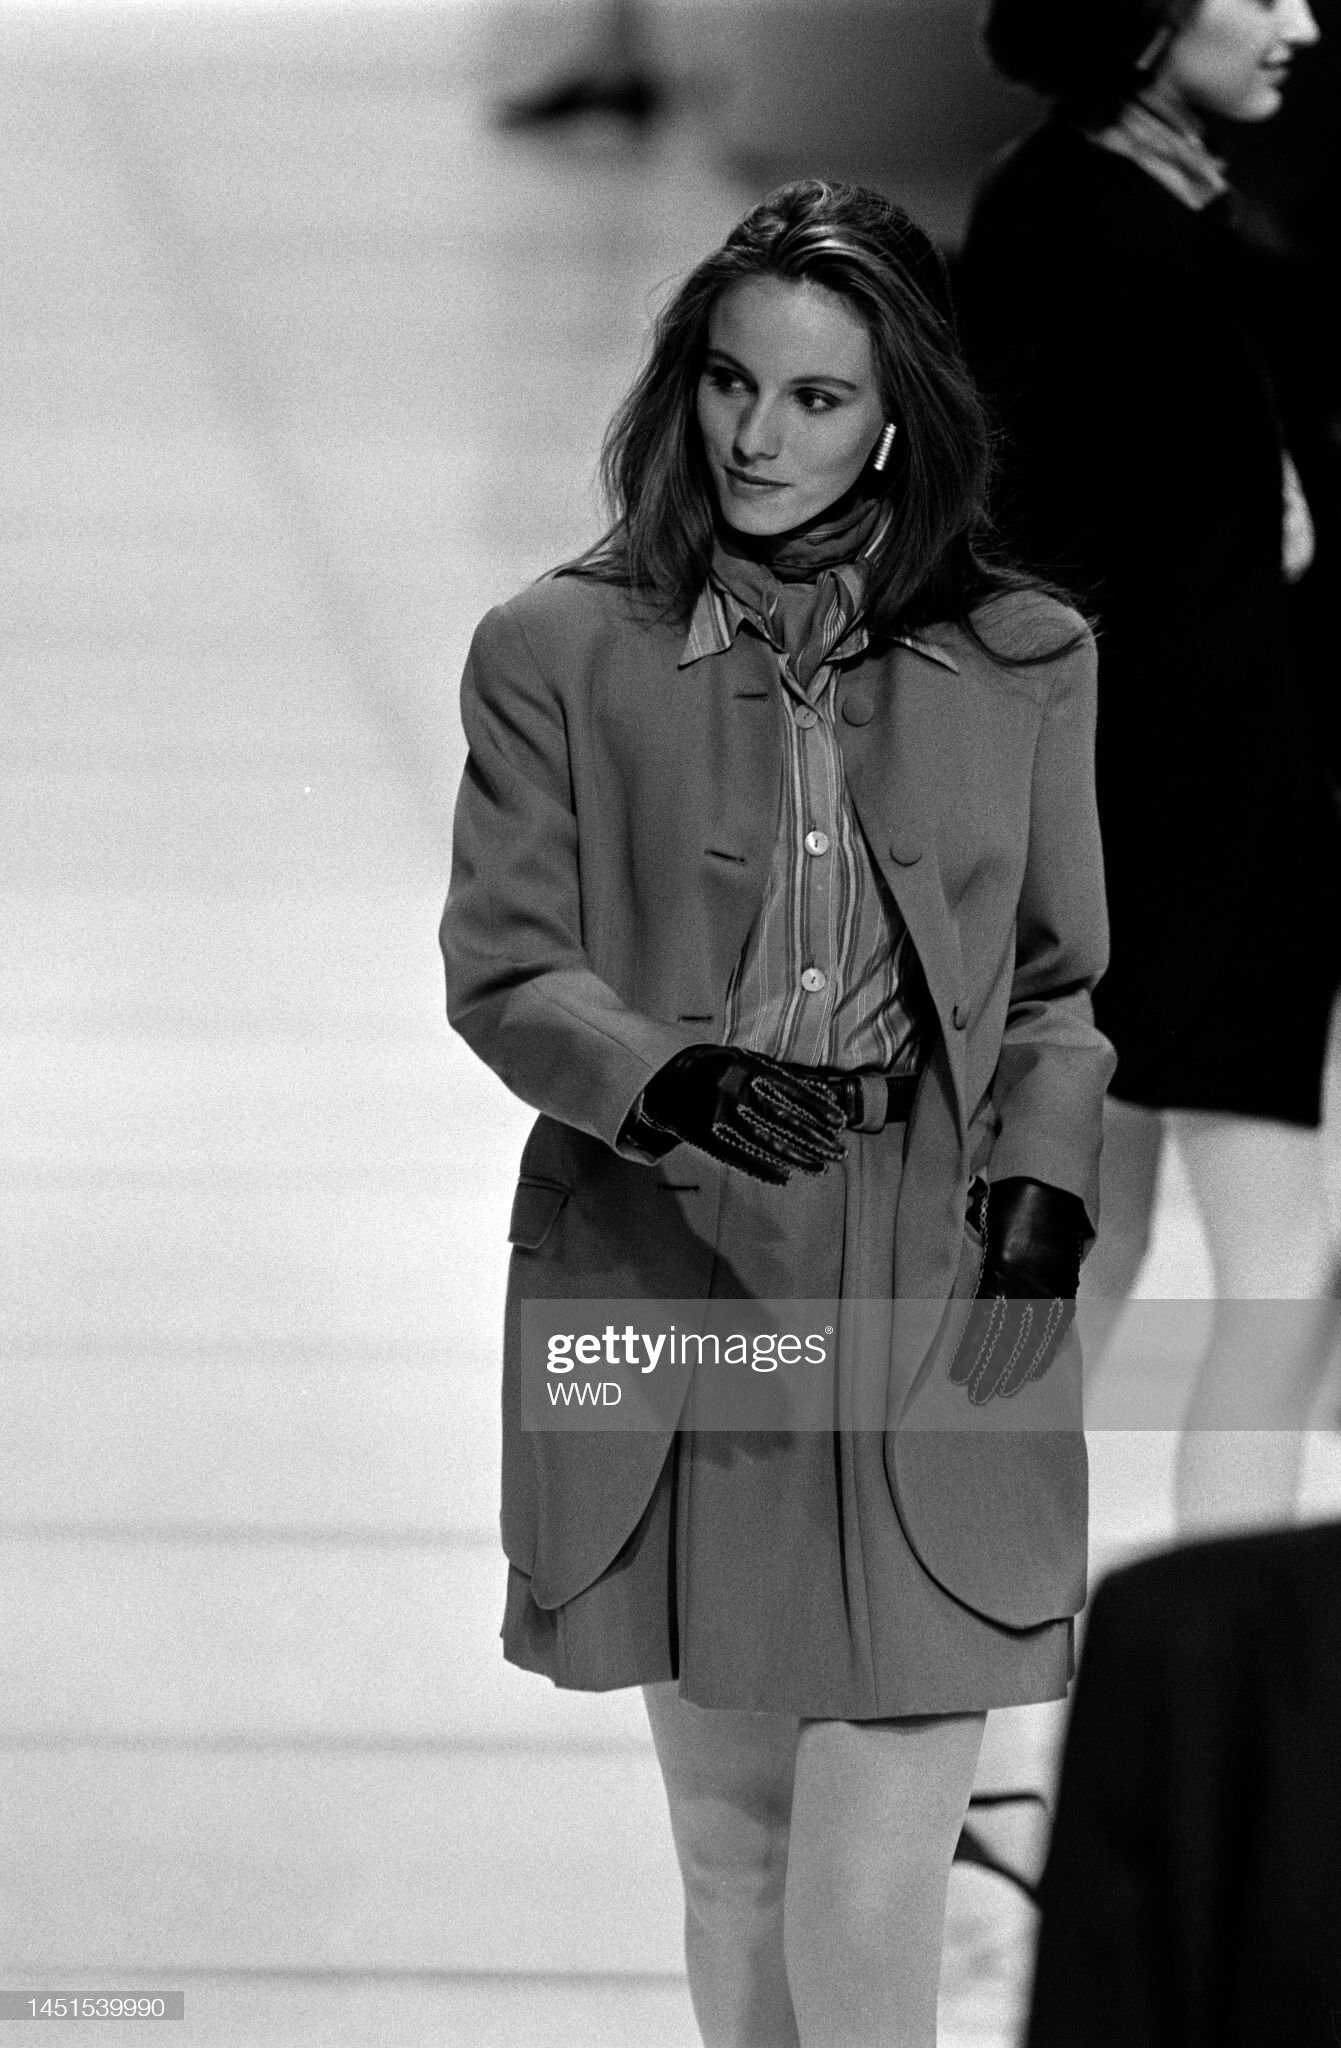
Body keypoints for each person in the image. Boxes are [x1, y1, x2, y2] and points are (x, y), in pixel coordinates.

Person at [441, 178, 1115, 2047]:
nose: (755, 435)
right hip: (672, 1269)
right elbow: (504, 969)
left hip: (943, 1278)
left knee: (874, 1888)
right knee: (735, 1858)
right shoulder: (555, 648)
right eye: (730, 383)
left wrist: (1045, 1183)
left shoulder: (1027, 656)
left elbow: (1054, 986)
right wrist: (668, 1078)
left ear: (899, 415)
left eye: (815, 398)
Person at [957, 0, 1341, 1536]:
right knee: (1267, 1269)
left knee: (1082, 1247)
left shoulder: (1105, 200)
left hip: (1126, 814)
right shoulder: (1117, 232)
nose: (1297, 20)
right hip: (1201, 811)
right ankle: (1227, 1655)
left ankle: (966, 1651)